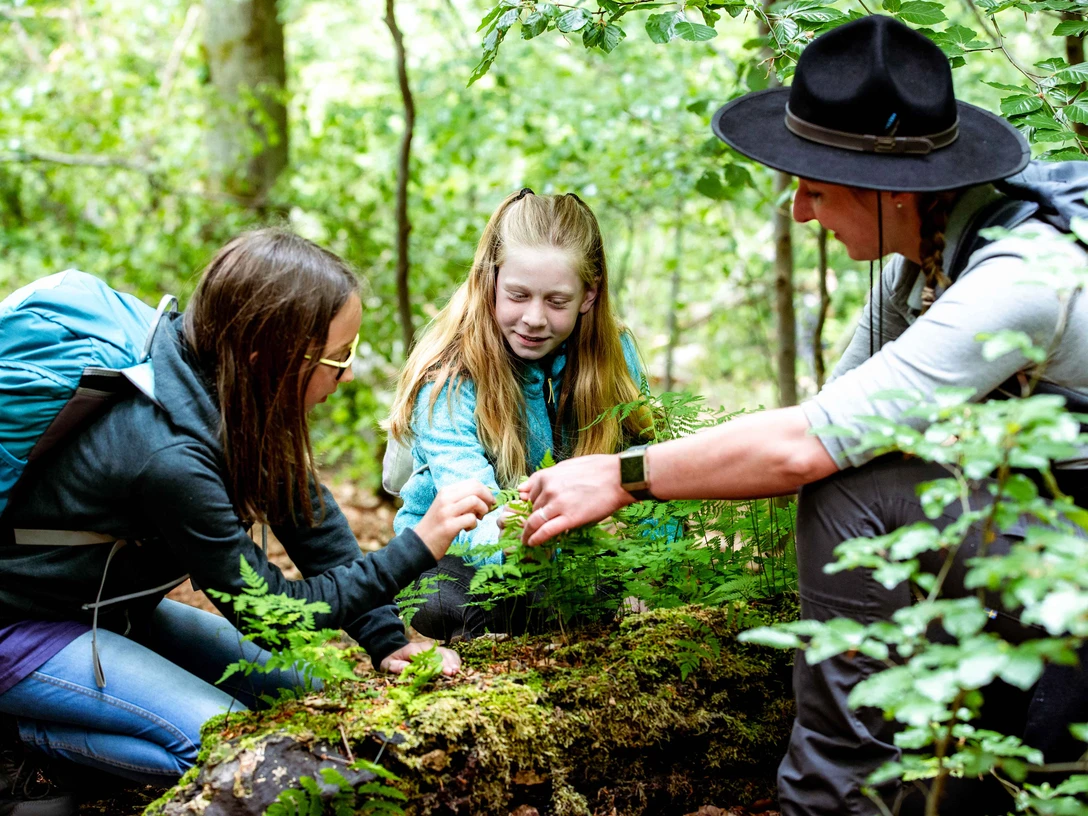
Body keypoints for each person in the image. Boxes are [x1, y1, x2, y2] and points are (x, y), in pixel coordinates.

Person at [517, 16, 1088, 816]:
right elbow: (830, 421)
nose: (800, 210)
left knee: (856, 498)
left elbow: (806, 451)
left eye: (815, 186)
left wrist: (624, 475)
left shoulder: (1022, 276)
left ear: (890, 192)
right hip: (1046, 530)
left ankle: (832, 800)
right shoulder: (922, 265)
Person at [0, 229, 493, 812]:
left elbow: (315, 528)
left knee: (315, 694)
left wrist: (385, 640)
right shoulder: (169, 456)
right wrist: (418, 545)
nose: (349, 375)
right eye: (339, 358)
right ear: (270, 358)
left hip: (111, 609)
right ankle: (22, 738)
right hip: (26, 628)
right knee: (231, 743)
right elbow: (271, 610)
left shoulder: (242, 393)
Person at [386, 189, 650, 640]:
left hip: (581, 552)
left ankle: (570, 613)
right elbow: (466, 511)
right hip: (466, 555)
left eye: (556, 301)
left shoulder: (614, 356)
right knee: (443, 596)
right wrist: (530, 535)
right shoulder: (449, 374)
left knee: (608, 589)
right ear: (490, 279)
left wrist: (646, 567)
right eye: (518, 294)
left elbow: (645, 465)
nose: (533, 318)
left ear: (589, 295)